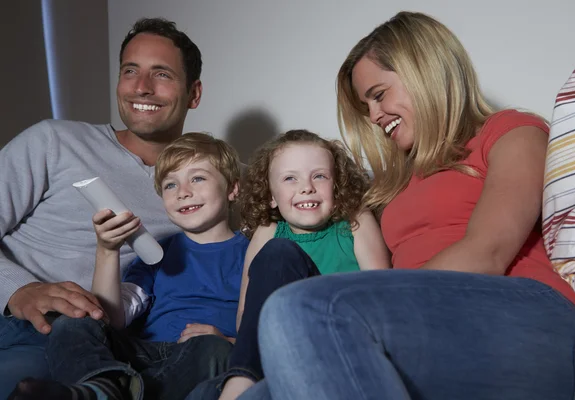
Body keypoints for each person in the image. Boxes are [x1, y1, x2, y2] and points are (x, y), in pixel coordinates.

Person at [239, 11, 575, 400]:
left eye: (379, 95)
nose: (375, 116)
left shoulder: (511, 131)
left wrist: (364, 296)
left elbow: (487, 253)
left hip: (533, 320)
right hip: (433, 325)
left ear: (423, 71)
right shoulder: (393, 186)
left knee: (300, 308)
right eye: (367, 106)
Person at [0, 17, 203, 396]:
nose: (141, 87)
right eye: (130, 71)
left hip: (97, 344)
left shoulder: (207, 185)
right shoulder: (54, 140)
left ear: (194, 94)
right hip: (17, 325)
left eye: (161, 74)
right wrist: (17, 290)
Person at [10, 132, 247, 400]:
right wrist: (108, 250)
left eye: (198, 178)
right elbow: (112, 317)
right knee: (72, 323)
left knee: (213, 350)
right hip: (141, 351)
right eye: (170, 185)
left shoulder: (254, 252)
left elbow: (267, 329)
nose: (183, 192)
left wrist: (228, 342)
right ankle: (100, 387)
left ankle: (119, 392)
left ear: (232, 189)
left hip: (200, 353)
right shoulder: (157, 250)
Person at [190, 129, 390, 400]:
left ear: (337, 185)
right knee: (200, 392)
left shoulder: (354, 222)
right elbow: (246, 317)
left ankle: (241, 383)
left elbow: (381, 293)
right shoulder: (268, 231)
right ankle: (244, 380)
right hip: (283, 347)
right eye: (289, 178)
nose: (306, 187)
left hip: (339, 336)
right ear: (271, 195)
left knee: (280, 252)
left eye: (319, 176)